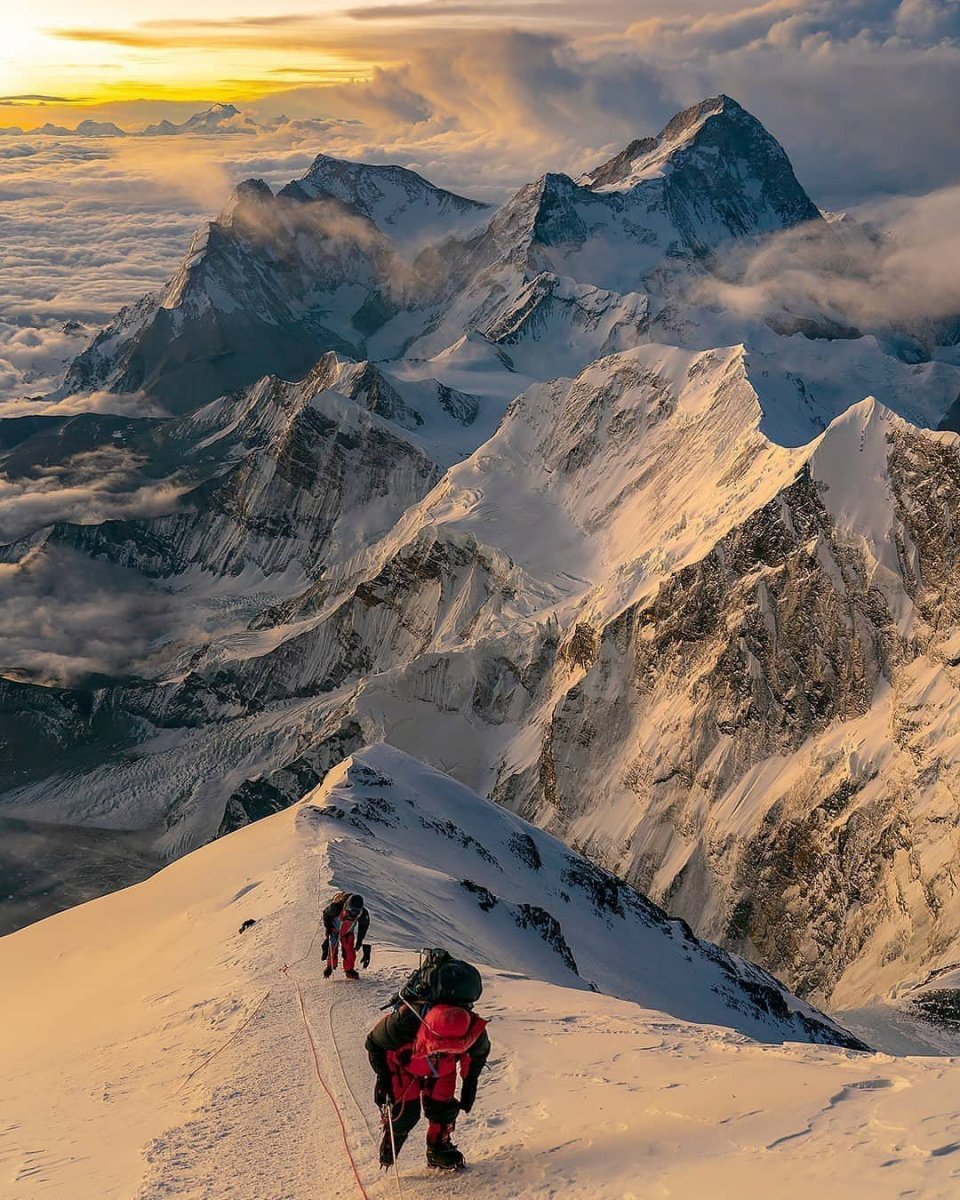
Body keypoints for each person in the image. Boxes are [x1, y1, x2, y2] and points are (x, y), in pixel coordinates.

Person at [365, 959, 489, 1171]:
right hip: (408, 1066)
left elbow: (374, 1043)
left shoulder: (409, 1020)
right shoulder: (407, 1019)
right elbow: (375, 1043)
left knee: (442, 1108)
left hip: (434, 1068)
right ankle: (395, 1137)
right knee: (407, 1112)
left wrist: (470, 1083)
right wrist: (383, 1077)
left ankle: (437, 1148)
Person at [321, 892, 369, 980]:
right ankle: (330, 966)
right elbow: (326, 914)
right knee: (332, 948)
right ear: (346, 906)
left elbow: (363, 927)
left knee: (349, 950)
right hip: (334, 930)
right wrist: (328, 930)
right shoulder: (336, 908)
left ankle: (349, 970)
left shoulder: (363, 914)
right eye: (351, 909)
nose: (353, 913)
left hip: (347, 931)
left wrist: (359, 940)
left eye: (356, 911)